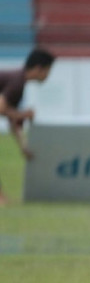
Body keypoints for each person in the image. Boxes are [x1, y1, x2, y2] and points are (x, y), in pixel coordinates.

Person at [0, 48, 55, 205]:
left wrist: (23, 146)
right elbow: (2, 108)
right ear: (38, 69)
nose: (48, 76)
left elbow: (13, 121)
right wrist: (24, 114)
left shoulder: (18, 82)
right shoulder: (17, 82)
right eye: (48, 71)